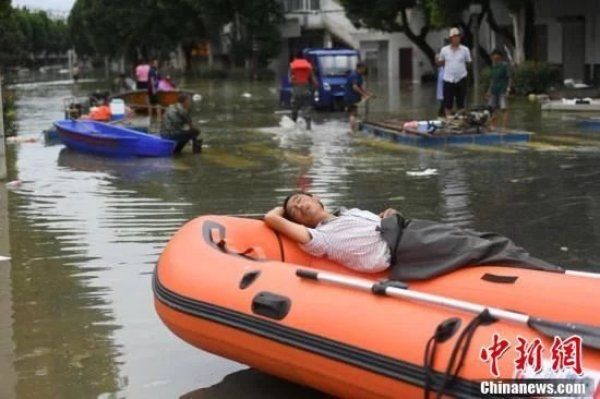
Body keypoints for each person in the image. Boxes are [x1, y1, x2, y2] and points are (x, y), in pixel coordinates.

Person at [264, 192, 560, 280]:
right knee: (478, 246)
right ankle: (549, 274)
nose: (300, 205)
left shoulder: (348, 212)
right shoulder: (319, 240)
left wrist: (386, 214)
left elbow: (373, 225)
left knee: (481, 237)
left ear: (318, 200)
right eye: (295, 209)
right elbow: (270, 218)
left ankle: (546, 271)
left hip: (409, 229)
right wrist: (282, 209)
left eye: (303, 199)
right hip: (403, 248)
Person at [437, 27, 472, 118]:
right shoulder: (444, 50)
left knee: (461, 103)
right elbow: (440, 63)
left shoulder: (465, 50)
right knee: (448, 103)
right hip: (448, 79)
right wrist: (438, 62)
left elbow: (468, 63)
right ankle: (449, 120)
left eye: (458, 36)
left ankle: (461, 121)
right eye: (454, 36)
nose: (456, 38)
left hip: (461, 78)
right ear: (450, 39)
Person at [289, 52, 317, 130]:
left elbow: (290, 81)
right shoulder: (308, 66)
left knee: (294, 111)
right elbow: (314, 82)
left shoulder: (292, 66)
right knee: (307, 111)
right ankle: (308, 128)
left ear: (295, 58)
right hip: (306, 92)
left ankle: (293, 128)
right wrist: (313, 90)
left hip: (296, 92)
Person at [344, 62, 374, 131]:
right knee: (352, 113)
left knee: (355, 113)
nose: (365, 70)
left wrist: (368, 93)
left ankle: (354, 128)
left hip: (355, 97)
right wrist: (364, 95)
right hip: (350, 97)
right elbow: (355, 87)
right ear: (360, 68)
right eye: (364, 68)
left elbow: (360, 87)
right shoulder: (354, 75)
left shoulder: (359, 75)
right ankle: (353, 130)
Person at [486, 49, 512, 128]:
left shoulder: (505, 66)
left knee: (504, 108)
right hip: (494, 90)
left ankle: (504, 127)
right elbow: (493, 80)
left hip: (502, 90)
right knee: (492, 108)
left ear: (499, 56)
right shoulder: (494, 66)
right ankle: (493, 126)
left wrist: (508, 89)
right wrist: (489, 91)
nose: (493, 58)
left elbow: (510, 78)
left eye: (494, 56)